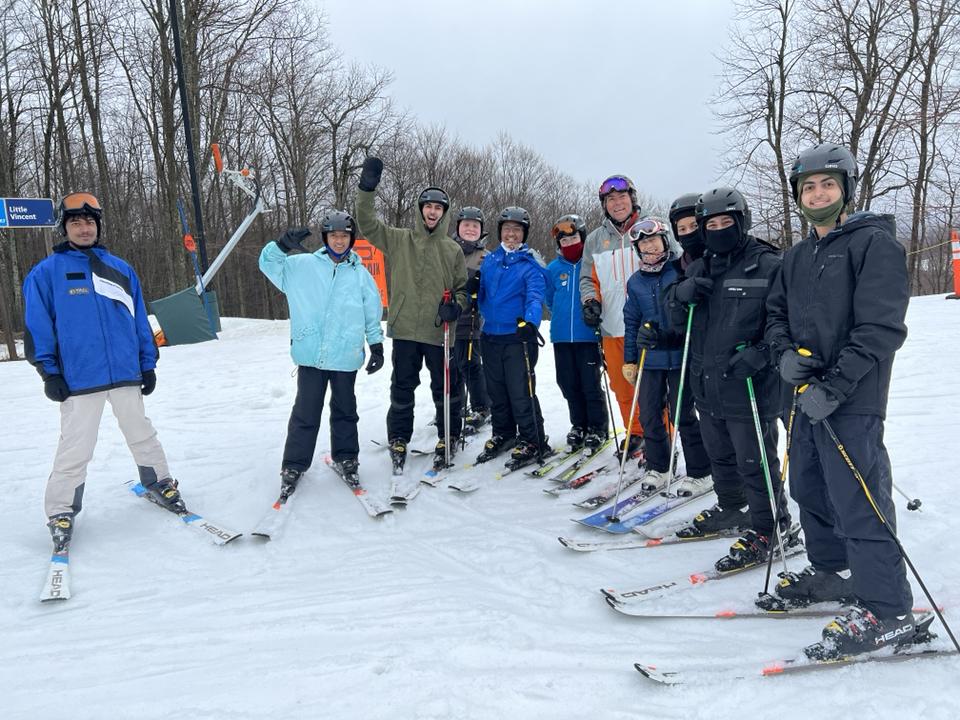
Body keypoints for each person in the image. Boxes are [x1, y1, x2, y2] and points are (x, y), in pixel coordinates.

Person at [765, 143, 914, 658]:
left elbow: (881, 328)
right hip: (806, 397)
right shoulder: (798, 255)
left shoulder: (873, 245)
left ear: (846, 190)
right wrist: (784, 356)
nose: (818, 193)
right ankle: (831, 572)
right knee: (808, 485)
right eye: (808, 187)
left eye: (828, 184)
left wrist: (836, 384)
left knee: (858, 500)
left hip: (853, 397)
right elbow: (776, 315)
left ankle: (890, 608)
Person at [23, 192, 174, 551]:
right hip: (79, 379)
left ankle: (159, 483)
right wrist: (49, 372)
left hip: (124, 373)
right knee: (75, 448)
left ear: (98, 226)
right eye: (76, 222)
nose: (84, 227)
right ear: (65, 227)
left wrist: (146, 362)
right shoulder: (46, 273)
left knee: (142, 433)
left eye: (89, 222)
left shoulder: (120, 269)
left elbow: (138, 319)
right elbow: (37, 325)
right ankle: (61, 510)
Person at [665, 187, 793, 571]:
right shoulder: (701, 266)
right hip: (708, 383)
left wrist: (762, 352)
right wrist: (679, 295)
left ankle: (772, 526)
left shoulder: (767, 264)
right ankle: (731, 507)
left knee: (755, 461)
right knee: (720, 455)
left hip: (749, 384)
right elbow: (675, 321)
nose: (718, 230)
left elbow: (787, 322)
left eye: (726, 223)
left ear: (742, 222)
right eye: (711, 224)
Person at [355, 157, 468, 472]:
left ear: (444, 214)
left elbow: (462, 289)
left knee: (444, 387)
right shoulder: (399, 238)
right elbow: (366, 224)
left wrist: (456, 306)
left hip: (437, 332)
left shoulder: (452, 249)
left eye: (438, 208)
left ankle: (449, 434)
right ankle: (399, 437)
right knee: (402, 387)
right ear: (420, 210)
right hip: (405, 329)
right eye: (428, 206)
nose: (432, 212)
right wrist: (367, 189)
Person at [259, 210, 384, 492]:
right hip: (311, 355)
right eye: (334, 235)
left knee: (345, 411)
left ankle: (347, 459)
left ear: (352, 239)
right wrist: (280, 246)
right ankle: (293, 464)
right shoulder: (301, 266)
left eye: (344, 236)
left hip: (346, 354)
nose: (339, 241)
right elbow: (268, 265)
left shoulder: (361, 275)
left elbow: (371, 312)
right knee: (306, 411)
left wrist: (375, 345)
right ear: (325, 237)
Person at [621, 216, 712, 495]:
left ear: (664, 241)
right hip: (651, 359)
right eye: (643, 243)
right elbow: (631, 320)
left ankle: (700, 471)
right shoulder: (635, 282)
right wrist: (630, 358)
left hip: (680, 356)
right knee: (649, 415)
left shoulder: (678, 271)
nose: (649, 247)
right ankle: (659, 467)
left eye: (653, 240)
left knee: (683, 414)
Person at [475, 207, 548, 467]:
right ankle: (503, 433)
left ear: (524, 233)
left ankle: (533, 438)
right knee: (496, 390)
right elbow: (481, 292)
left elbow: (536, 296)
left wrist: (530, 322)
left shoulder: (530, 263)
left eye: (517, 230)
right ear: (500, 232)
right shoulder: (491, 260)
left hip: (518, 337)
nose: (511, 234)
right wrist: (474, 290)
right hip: (490, 335)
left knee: (520, 391)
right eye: (507, 229)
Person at [579, 175, 644, 460]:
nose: (617, 204)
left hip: (646, 326)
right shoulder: (595, 239)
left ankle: (661, 436)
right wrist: (590, 301)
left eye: (622, 198)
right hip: (611, 327)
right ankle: (637, 432)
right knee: (621, 386)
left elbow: (672, 265)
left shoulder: (648, 229)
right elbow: (586, 279)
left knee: (651, 387)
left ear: (632, 199)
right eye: (610, 200)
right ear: (604, 205)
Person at [544, 214, 608, 452]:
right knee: (568, 382)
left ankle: (597, 426)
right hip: (561, 336)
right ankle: (578, 425)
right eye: (564, 241)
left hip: (587, 336)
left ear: (582, 237)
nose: (569, 244)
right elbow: (549, 299)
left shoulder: (591, 264)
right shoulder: (553, 269)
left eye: (574, 238)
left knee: (590, 384)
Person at [452, 206, 491, 435]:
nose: (470, 229)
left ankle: (482, 406)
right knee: (451, 366)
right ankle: (454, 405)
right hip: (449, 319)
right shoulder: (448, 250)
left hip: (472, 319)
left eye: (475, 226)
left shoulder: (486, 256)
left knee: (470, 363)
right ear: (458, 227)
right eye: (466, 224)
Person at [667, 192, 706, 270]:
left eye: (695, 226)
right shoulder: (675, 271)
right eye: (682, 229)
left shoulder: (726, 264)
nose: (688, 232)